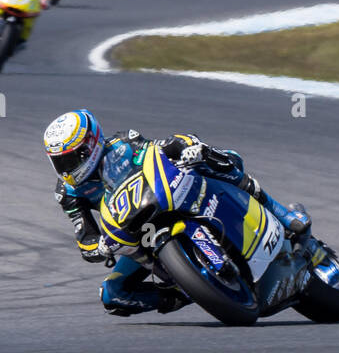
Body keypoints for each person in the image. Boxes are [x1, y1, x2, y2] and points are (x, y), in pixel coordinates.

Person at [42, 110, 310, 317]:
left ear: (92, 144)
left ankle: (282, 213)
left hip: (165, 197)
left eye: (73, 157)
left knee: (217, 159)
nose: (68, 167)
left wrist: (186, 148)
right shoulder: (68, 193)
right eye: (60, 162)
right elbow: (84, 239)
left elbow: (161, 149)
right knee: (112, 294)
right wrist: (99, 247)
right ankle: (183, 291)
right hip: (136, 235)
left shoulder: (125, 142)